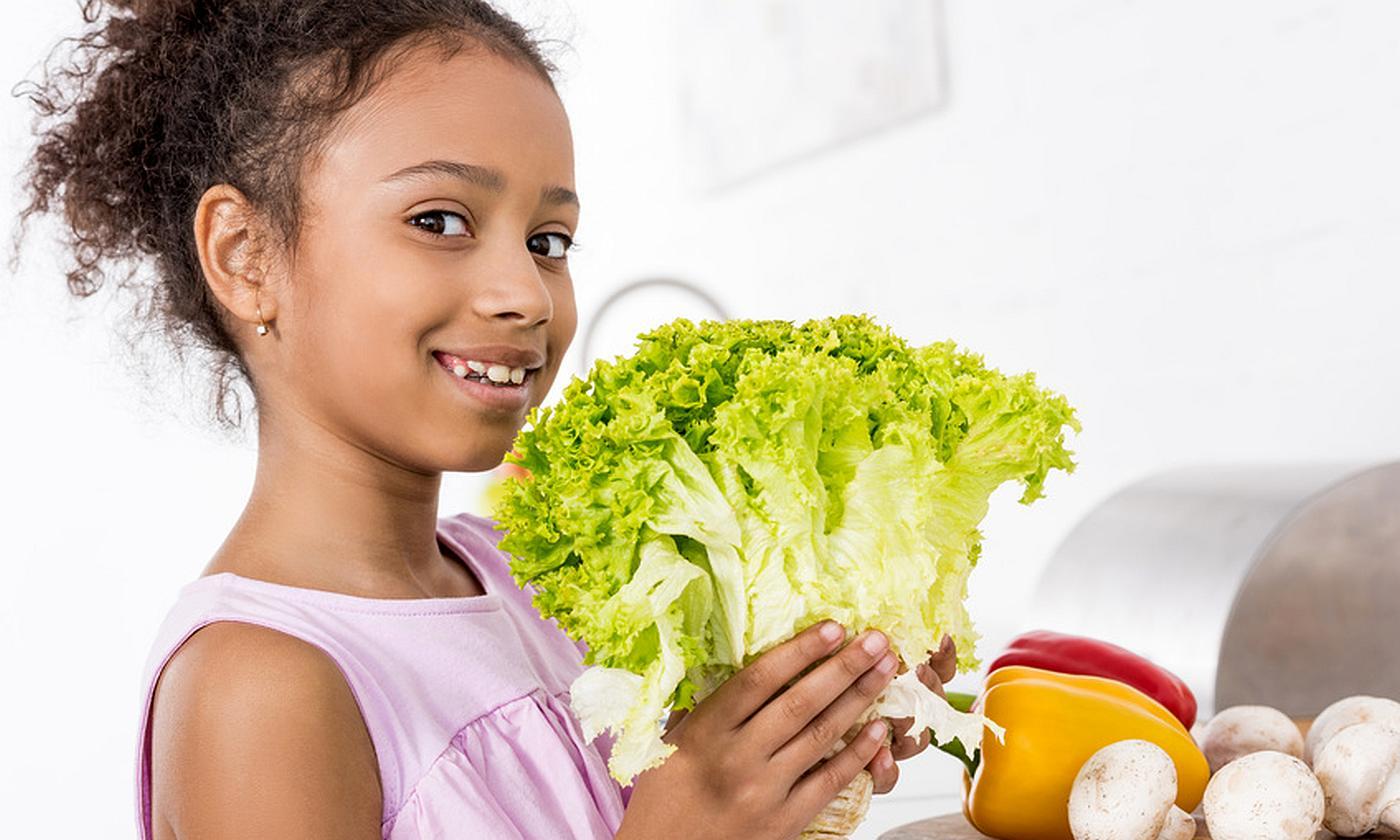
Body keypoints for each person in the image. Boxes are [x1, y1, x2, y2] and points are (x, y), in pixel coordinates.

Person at [16, 2, 958, 837]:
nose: (525, 293)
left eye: (548, 241)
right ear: (245, 254)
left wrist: (802, 738)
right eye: (439, 221)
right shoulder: (262, 688)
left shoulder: (526, 579)